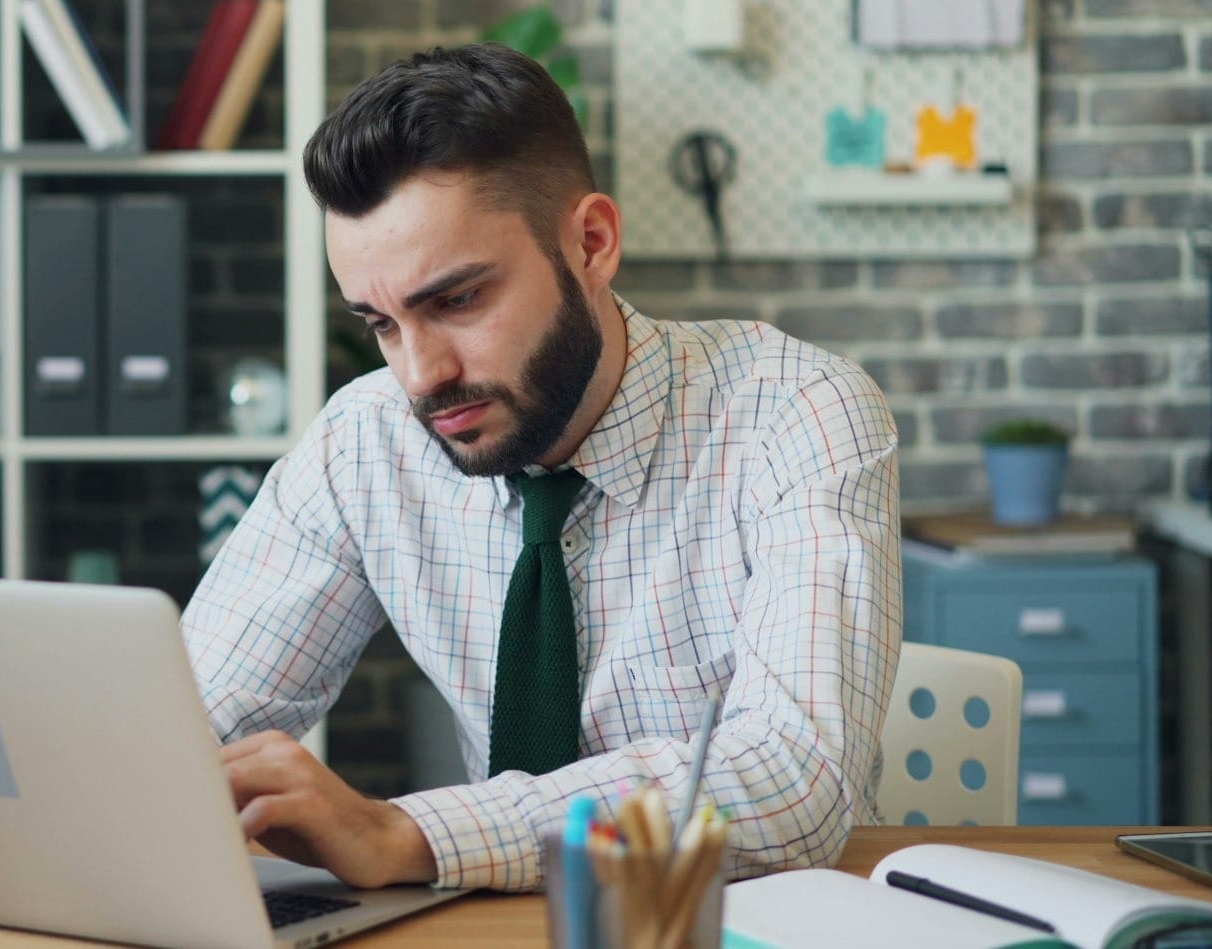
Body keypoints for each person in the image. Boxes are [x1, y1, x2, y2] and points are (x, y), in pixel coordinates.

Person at [180, 43, 902, 894]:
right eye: (381, 322)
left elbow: (796, 781)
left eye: (456, 300)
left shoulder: (796, 411)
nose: (420, 375)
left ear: (591, 244)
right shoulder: (364, 442)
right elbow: (187, 726)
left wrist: (408, 831)